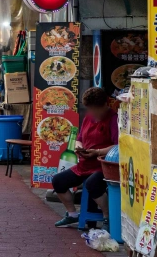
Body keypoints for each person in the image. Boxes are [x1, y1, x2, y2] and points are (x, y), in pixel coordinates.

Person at [51, 87, 118, 228]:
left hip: (103, 166)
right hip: (84, 164)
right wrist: (79, 147)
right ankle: (72, 214)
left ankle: (107, 217)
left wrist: (98, 152)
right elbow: (79, 138)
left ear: (105, 105)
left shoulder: (113, 119)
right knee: (58, 181)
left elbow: (118, 146)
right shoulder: (88, 117)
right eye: (90, 109)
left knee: (92, 184)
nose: (92, 113)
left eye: (95, 109)